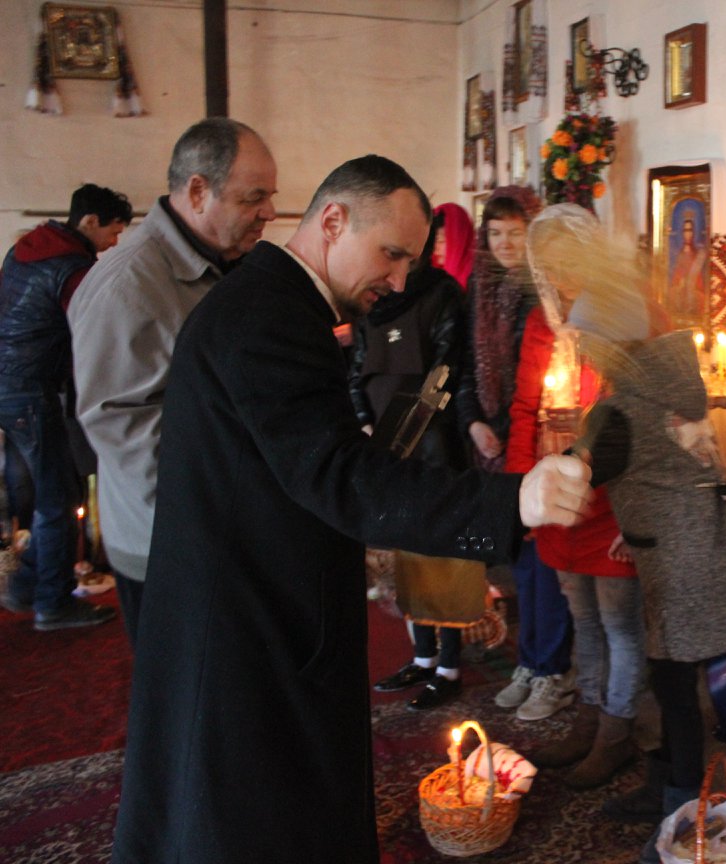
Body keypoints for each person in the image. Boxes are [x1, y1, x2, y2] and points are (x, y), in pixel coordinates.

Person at [110, 155, 593, 864]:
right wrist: (514, 497)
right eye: (391, 254)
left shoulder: (276, 302)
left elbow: (299, 453)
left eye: (410, 262)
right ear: (333, 220)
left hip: (251, 594)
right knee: (248, 817)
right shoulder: (269, 315)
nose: (398, 280)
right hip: (248, 620)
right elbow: (337, 476)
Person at [562, 236, 726, 864]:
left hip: (684, 562)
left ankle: (680, 818)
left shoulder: (618, 408)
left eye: (583, 340)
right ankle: (669, 788)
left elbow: (573, 482)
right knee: (672, 681)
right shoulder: (671, 380)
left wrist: (561, 460)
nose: (577, 350)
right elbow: (679, 468)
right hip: (701, 545)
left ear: (606, 344)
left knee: (675, 690)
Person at [68, 118, 278, 648]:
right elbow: (123, 428)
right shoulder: (129, 283)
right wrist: (231, 503)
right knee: (191, 710)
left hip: (227, 529)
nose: (269, 213)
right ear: (198, 190)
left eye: (270, 197)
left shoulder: (225, 265)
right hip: (176, 544)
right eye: (254, 198)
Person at [507, 204, 644, 787]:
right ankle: (590, 717)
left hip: (609, 499)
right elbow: (523, 408)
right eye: (551, 265)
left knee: (619, 626)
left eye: (572, 262)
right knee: (583, 620)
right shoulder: (542, 322)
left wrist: (629, 515)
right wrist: (519, 490)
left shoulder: (623, 317)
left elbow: (638, 422)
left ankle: (618, 733)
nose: (561, 277)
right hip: (555, 499)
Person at [457, 186, 576, 720]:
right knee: (521, 560)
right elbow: (464, 365)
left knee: (545, 558)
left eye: (515, 233)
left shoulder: (542, 292)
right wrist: (475, 421)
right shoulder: (478, 288)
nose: (505, 243)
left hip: (537, 434)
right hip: (495, 441)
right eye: (496, 233)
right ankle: (531, 660)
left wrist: (518, 432)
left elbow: (545, 379)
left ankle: (550, 666)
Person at [354, 202, 475, 710]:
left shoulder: (443, 293)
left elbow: (448, 367)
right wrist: (361, 416)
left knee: (439, 553)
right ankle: (421, 657)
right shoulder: (375, 291)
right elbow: (357, 362)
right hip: (381, 438)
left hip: (432, 440)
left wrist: (413, 426)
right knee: (403, 550)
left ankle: (448, 666)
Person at [0, 183, 132, 629]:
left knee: (43, 494)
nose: (113, 244)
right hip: (32, 390)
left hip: (8, 384)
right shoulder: (73, 269)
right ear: (89, 222)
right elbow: (94, 332)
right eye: (112, 233)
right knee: (60, 498)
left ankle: (24, 587)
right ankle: (53, 603)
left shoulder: (25, 248)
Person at [668, 215, 706, 318]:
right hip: (681, 302)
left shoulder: (699, 255)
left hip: (694, 302)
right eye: (685, 230)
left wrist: (692, 289)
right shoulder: (680, 255)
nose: (688, 234)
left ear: (694, 232)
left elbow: (701, 285)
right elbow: (675, 281)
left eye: (690, 230)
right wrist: (679, 285)